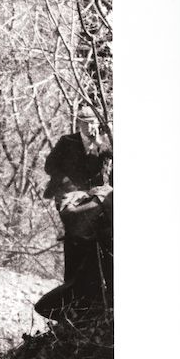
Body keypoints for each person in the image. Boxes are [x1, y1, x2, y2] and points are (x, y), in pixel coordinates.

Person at [43, 104, 113, 282]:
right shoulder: (68, 142)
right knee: (74, 234)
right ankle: (71, 281)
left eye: (93, 123)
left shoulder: (103, 143)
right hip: (69, 194)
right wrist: (70, 187)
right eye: (86, 123)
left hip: (93, 196)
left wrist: (99, 145)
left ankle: (90, 283)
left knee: (95, 237)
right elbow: (50, 166)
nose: (90, 127)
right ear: (79, 124)